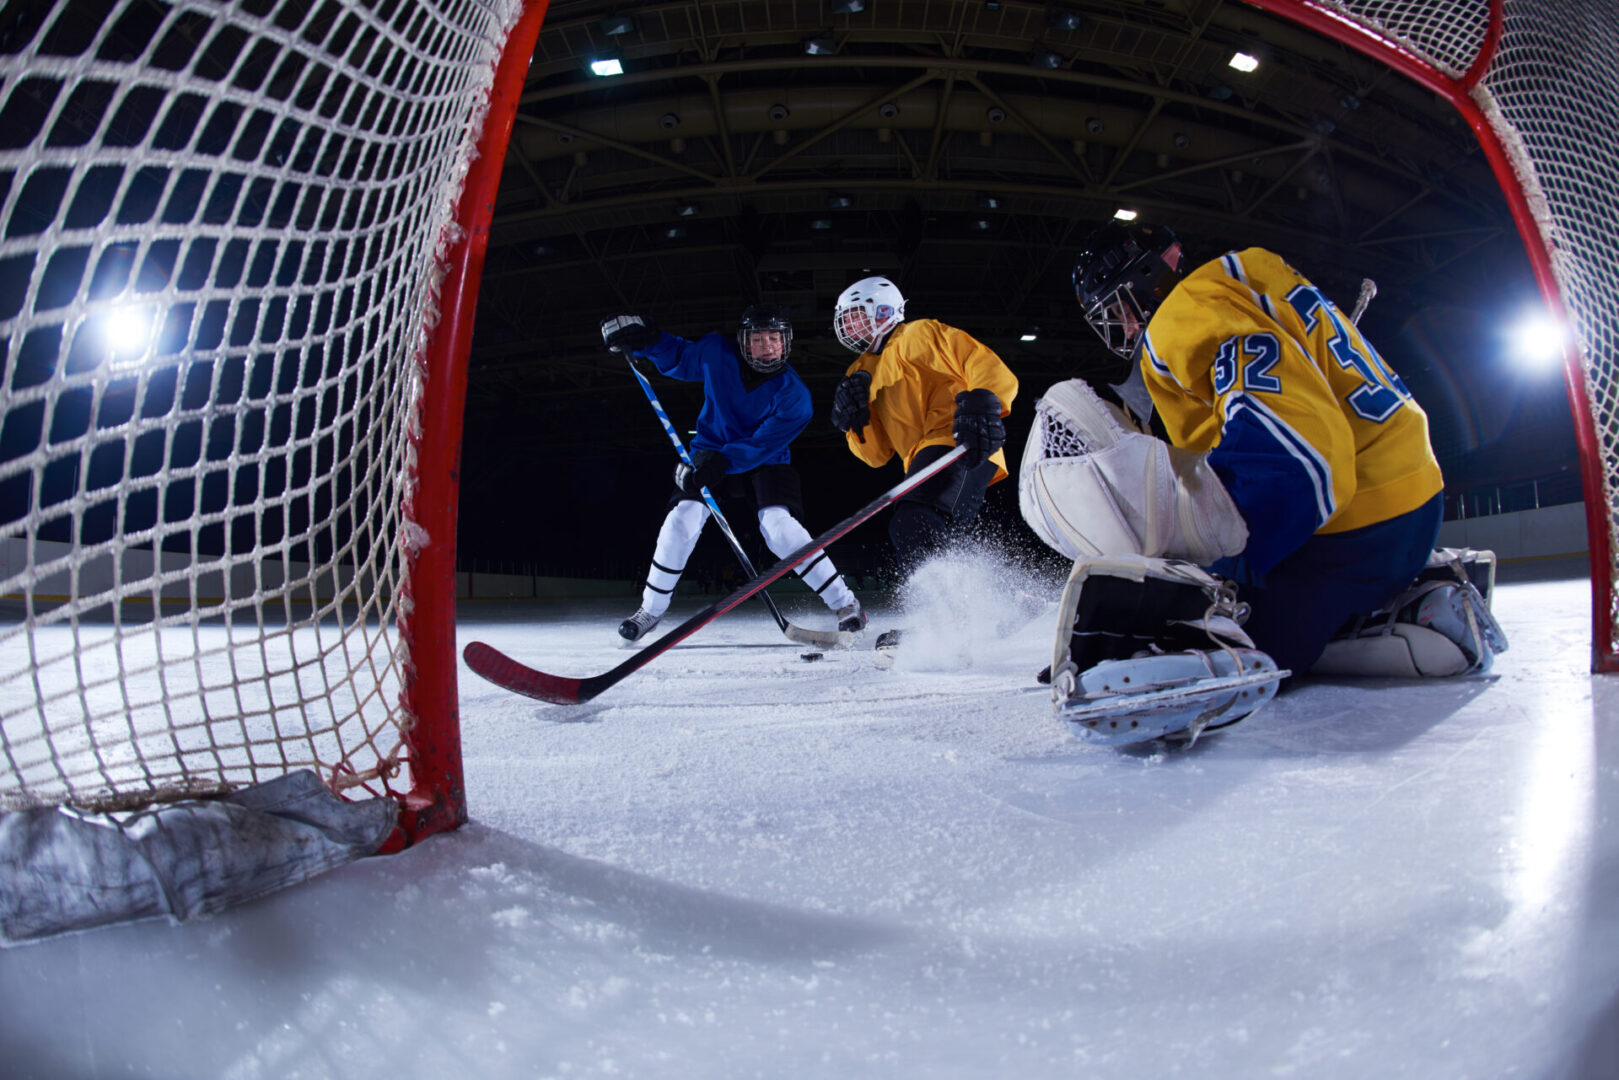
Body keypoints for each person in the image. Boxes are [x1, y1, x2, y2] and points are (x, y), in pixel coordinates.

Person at [1021, 222, 1502, 741]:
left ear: (1146, 278)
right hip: (1406, 503)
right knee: (1296, 616)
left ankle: (1227, 644)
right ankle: (1406, 611)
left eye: (1117, 310)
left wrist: (1225, 581)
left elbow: (1302, 460)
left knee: (1194, 639)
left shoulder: (1184, 315)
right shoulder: (1249, 275)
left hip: (1347, 530)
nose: (1124, 329)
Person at [601, 305, 866, 643]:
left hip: (765, 459)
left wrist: (721, 463)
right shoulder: (716, 351)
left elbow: (761, 445)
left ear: (786, 343)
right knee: (681, 519)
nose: (767, 346)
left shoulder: (796, 398)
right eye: (758, 338)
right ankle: (650, 610)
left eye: (774, 338)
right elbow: (681, 357)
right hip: (710, 450)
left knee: (780, 529)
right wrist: (647, 340)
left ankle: (845, 604)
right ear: (743, 341)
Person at [827, 276, 1019, 575]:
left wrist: (984, 402)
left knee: (912, 521)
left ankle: (942, 610)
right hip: (921, 460)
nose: (849, 327)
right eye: (845, 321)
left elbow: (981, 362)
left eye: (854, 317)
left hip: (960, 442)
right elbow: (877, 456)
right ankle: (999, 603)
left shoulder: (918, 334)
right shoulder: (860, 370)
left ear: (883, 311)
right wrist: (855, 423)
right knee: (936, 534)